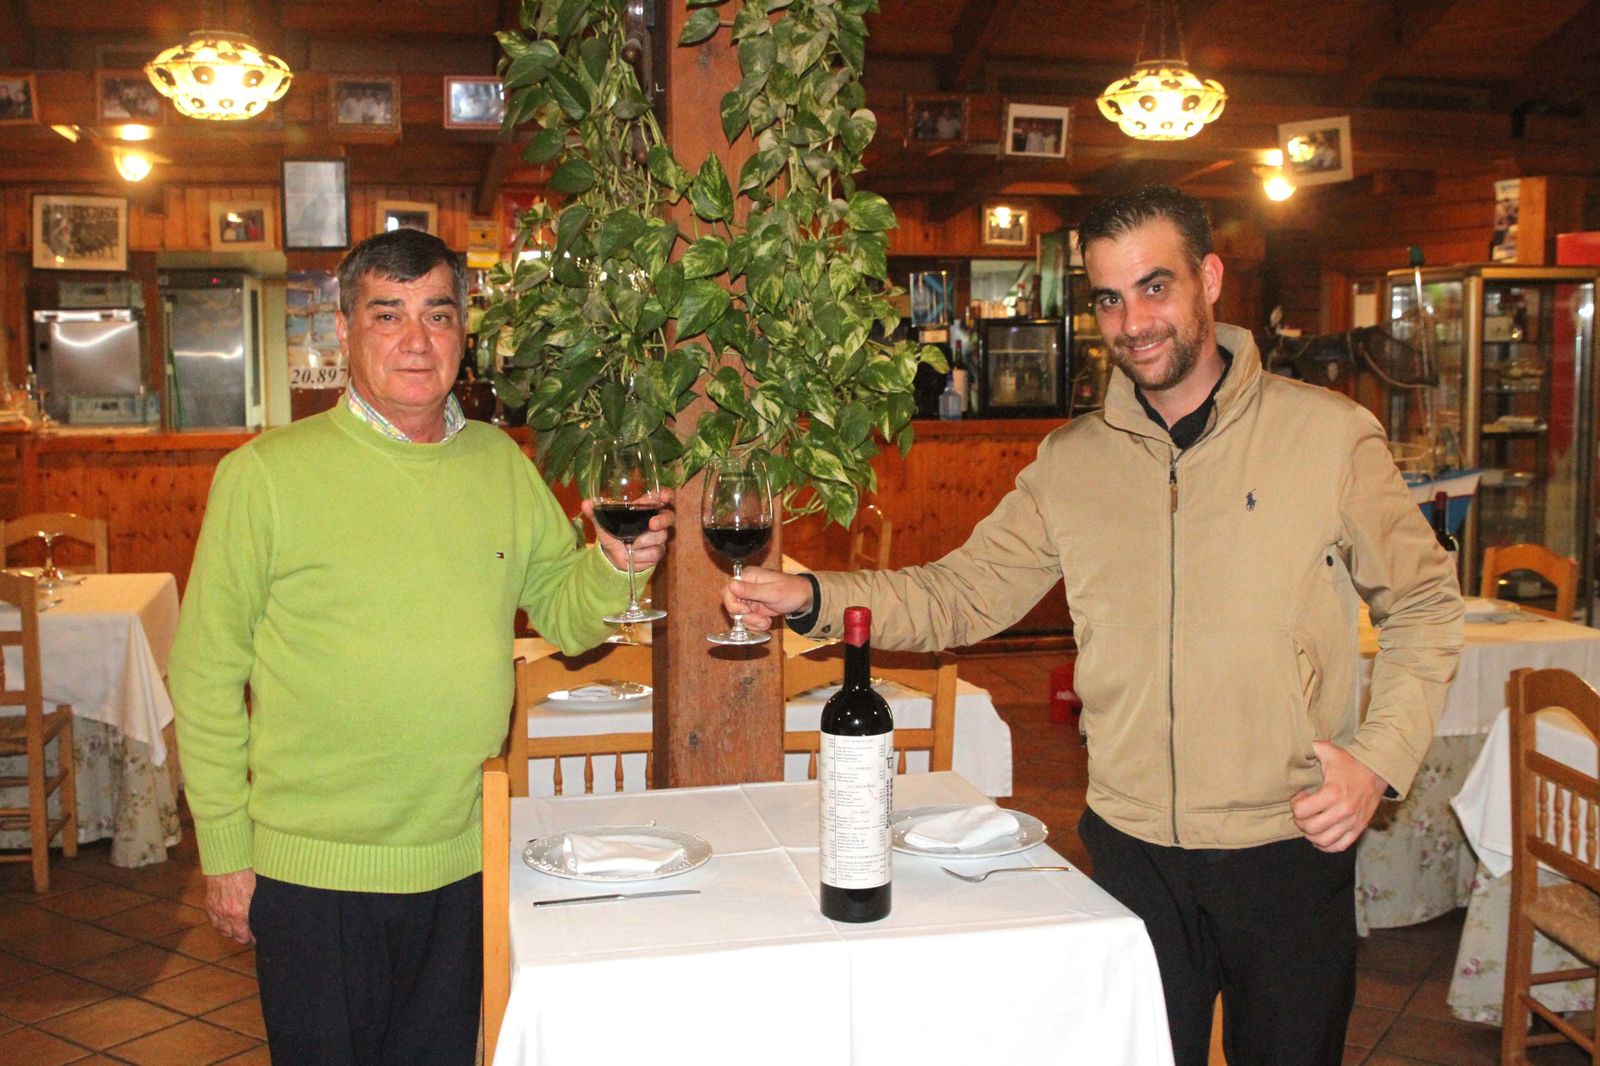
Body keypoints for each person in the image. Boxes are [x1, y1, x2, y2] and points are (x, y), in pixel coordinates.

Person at [724, 184, 1462, 1066]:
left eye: (1155, 287)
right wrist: (810, 597)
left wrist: (1378, 761)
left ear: (1210, 279)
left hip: (1289, 842)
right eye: (1109, 298)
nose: (1133, 321)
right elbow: (962, 593)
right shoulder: (1071, 463)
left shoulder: (1329, 436)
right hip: (1131, 847)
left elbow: (1423, 607)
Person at [168, 228, 674, 1065]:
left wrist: (616, 567)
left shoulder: (500, 464)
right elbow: (205, 671)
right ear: (343, 332)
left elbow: (565, 614)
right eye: (387, 315)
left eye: (437, 316)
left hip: (462, 856)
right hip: (314, 872)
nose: (416, 340)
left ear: (462, 333)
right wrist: (224, 848)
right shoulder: (264, 475)